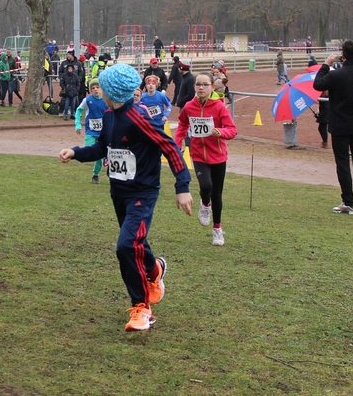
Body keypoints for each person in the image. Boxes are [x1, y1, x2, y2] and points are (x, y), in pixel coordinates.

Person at [58, 63, 193, 332]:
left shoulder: (139, 117)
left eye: (103, 87)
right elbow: (102, 147)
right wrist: (76, 152)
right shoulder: (109, 115)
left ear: (111, 91)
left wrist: (183, 186)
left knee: (126, 246)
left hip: (142, 193)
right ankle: (154, 269)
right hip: (118, 193)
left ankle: (142, 308)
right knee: (134, 242)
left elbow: (170, 147)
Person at [175, 73, 237, 246]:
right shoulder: (189, 106)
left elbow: (232, 130)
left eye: (205, 84)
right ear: (194, 86)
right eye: (198, 84)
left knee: (217, 194)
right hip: (198, 155)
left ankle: (217, 229)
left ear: (212, 87)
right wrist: (177, 142)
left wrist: (221, 132)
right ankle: (205, 204)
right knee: (206, 186)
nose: (201, 87)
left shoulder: (219, 107)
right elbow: (182, 124)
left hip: (218, 156)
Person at [312, 40, 353, 215]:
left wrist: (325, 65)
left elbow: (318, 84)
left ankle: (348, 202)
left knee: (343, 163)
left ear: (343, 55)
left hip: (340, 125)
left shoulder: (337, 74)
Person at [74, 78, 108, 183]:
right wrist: (78, 125)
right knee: (89, 150)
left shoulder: (107, 100)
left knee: (99, 156)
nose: (95, 89)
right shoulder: (87, 100)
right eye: (93, 88)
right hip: (91, 131)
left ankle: (95, 175)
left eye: (98, 87)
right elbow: (78, 111)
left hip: (103, 132)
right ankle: (106, 156)